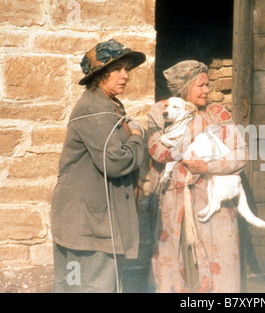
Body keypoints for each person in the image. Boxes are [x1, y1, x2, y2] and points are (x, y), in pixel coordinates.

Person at [51, 39, 146, 292]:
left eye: (127, 69)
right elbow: (114, 162)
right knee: (91, 287)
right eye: (117, 69)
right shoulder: (95, 108)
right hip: (89, 224)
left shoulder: (107, 103)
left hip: (89, 220)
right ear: (100, 75)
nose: (125, 75)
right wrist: (137, 137)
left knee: (80, 286)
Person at [146, 60, 248, 292]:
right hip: (174, 204)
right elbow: (159, 152)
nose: (207, 90)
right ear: (184, 88)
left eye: (208, 84)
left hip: (214, 203)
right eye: (200, 85)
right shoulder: (162, 110)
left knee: (219, 265)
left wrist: (207, 166)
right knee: (175, 266)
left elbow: (241, 155)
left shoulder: (217, 113)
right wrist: (193, 130)